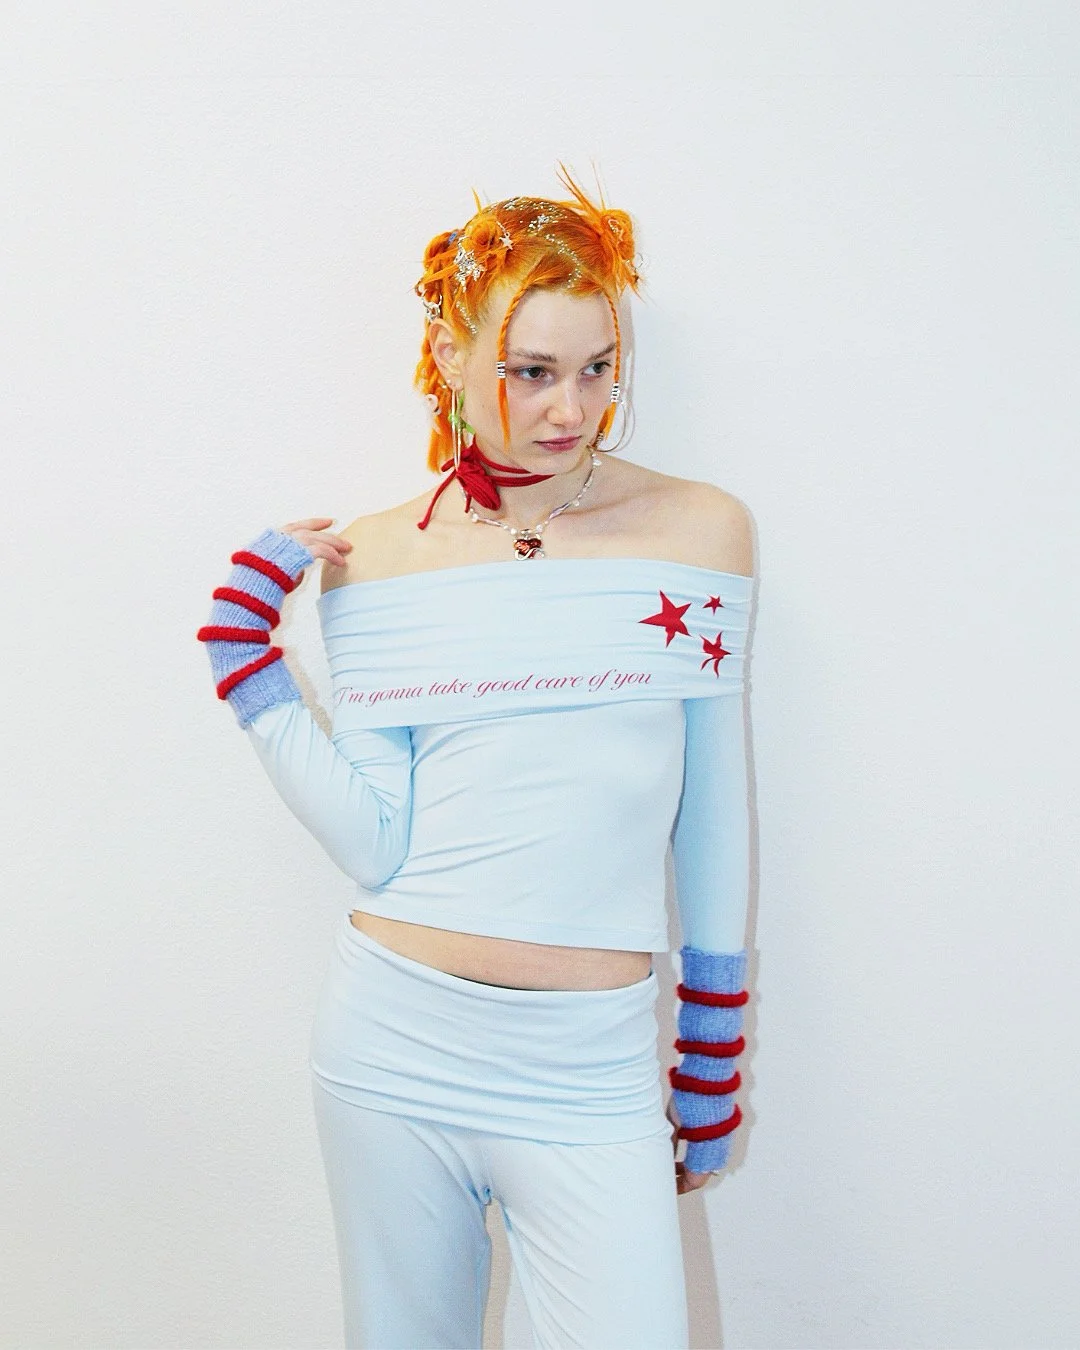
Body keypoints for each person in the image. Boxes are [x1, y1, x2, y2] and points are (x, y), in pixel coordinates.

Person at [197, 167, 757, 1350]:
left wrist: (710, 1050)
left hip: (590, 1065)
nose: (571, 410)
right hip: (393, 1044)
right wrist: (250, 668)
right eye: (532, 370)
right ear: (449, 357)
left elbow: (713, 807)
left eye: (598, 369)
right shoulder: (378, 557)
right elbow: (376, 843)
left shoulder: (699, 531)